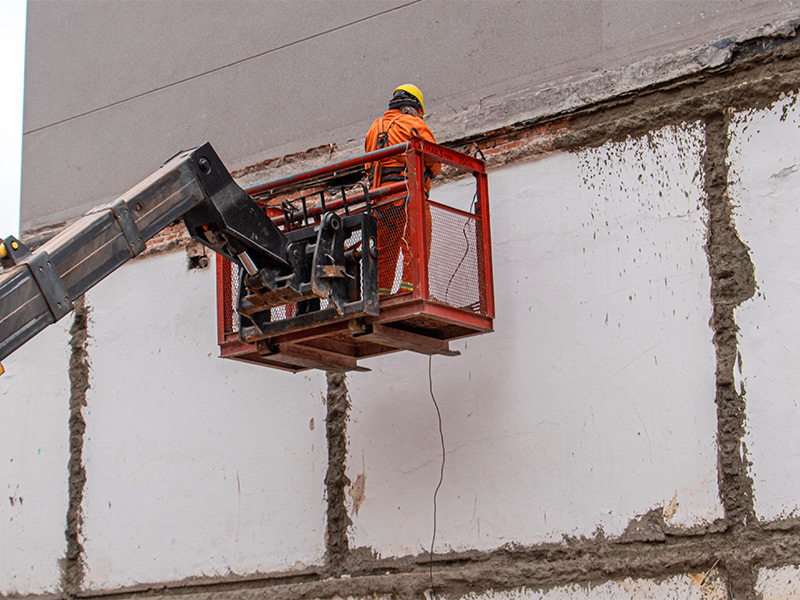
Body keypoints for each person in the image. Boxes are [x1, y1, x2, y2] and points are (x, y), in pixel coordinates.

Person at [364, 84, 441, 295]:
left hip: (380, 202)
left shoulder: (374, 128)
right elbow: (434, 160)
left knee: (384, 252)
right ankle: (410, 292)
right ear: (414, 108)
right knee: (417, 246)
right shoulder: (413, 124)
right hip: (408, 198)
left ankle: (380, 296)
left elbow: (368, 163)